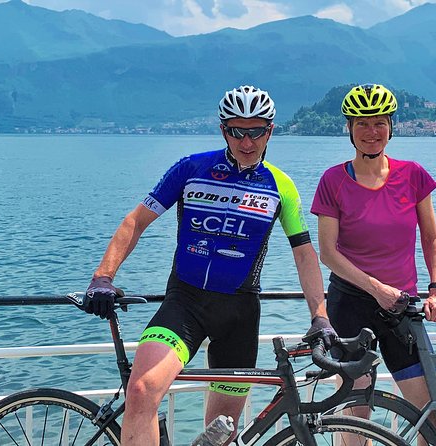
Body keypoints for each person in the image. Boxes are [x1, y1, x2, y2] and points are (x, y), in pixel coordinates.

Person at [84, 85, 336, 445]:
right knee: (141, 390)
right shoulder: (191, 169)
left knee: (220, 432)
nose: (246, 141)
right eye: (236, 130)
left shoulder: (281, 187)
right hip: (185, 304)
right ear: (223, 130)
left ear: (270, 130)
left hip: (239, 315)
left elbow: (304, 254)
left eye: (255, 131)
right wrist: (103, 276)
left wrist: (320, 316)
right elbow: (135, 221)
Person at [310, 83, 436, 434]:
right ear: (349, 129)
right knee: (355, 419)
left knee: (430, 415)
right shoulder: (333, 180)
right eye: (362, 124)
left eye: (379, 123)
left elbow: (431, 238)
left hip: (401, 307)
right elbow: (328, 252)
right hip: (351, 306)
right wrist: (376, 289)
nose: (371, 132)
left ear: (391, 127)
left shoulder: (413, 174)